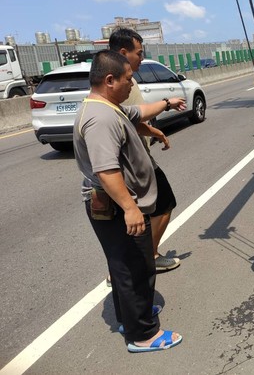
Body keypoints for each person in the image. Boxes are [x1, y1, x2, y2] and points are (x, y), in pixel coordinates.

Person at [73, 50, 185, 352]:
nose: (131, 84)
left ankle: (131, 318)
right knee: (136, 267)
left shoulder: (109, 107)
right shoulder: (100, 118)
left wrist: (166, 104)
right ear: (110, 80)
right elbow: (106, 170)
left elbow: (139, 113)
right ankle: (143, 335)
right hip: (115, 208)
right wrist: (131, 208)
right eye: (127, 79)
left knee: (125, 265)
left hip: (116, 206)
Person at [109, 28, 180, 272]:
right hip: (135, 163)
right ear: (123, 52)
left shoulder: (123, 80)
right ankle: (144, 259)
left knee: (141, 215)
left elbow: (132, 116)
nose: (141, 57)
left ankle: (135, 262)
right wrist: (167, 105)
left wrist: (154, 131)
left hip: (138, 158)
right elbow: (131, 116)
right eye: (139, 53)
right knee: (163, 203)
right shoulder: (118, 84)